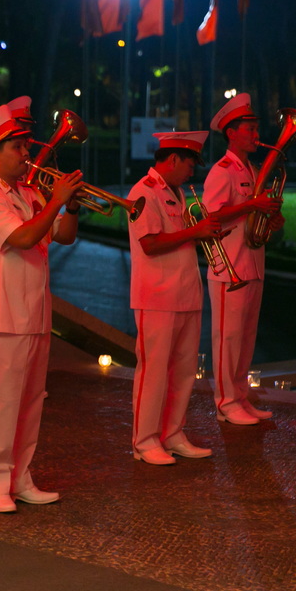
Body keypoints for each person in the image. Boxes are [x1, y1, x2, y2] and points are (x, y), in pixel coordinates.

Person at [0, 99, 82, 513]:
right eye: (16, 147)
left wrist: (70, 205)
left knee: (32, 401)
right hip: (2, 316)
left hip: (34, 313)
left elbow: (63, 236)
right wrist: (56, 201)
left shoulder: (29, 192)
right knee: (1, 404)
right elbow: (23, 238)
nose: (26, 152)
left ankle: (20, 476)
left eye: (25, 145)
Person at [126, 131, 218, 466]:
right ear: (174, 159)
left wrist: (201, 232)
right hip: (156, 296)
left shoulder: (177, 192)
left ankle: (173, 433)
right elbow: (149, 243)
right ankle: (145, 441)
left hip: (185, 293)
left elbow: (180, 239)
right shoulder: (143, 192)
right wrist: (195, 232)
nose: (193, 171)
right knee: (153, 372)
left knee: (183, 371)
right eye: (190, 164)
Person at [204, 93, 284, 426]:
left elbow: (253, 215)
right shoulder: (221, 171)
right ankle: (225, 402)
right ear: (231, 133)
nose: (256, 135)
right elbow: (211, 216)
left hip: (251, 263)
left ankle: (238, 397)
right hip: (229, 266)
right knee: (228, 338)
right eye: (249, 129)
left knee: (246, 337)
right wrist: (253, 205)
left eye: (255, 128)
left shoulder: (252, 170)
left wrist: (271, 218)